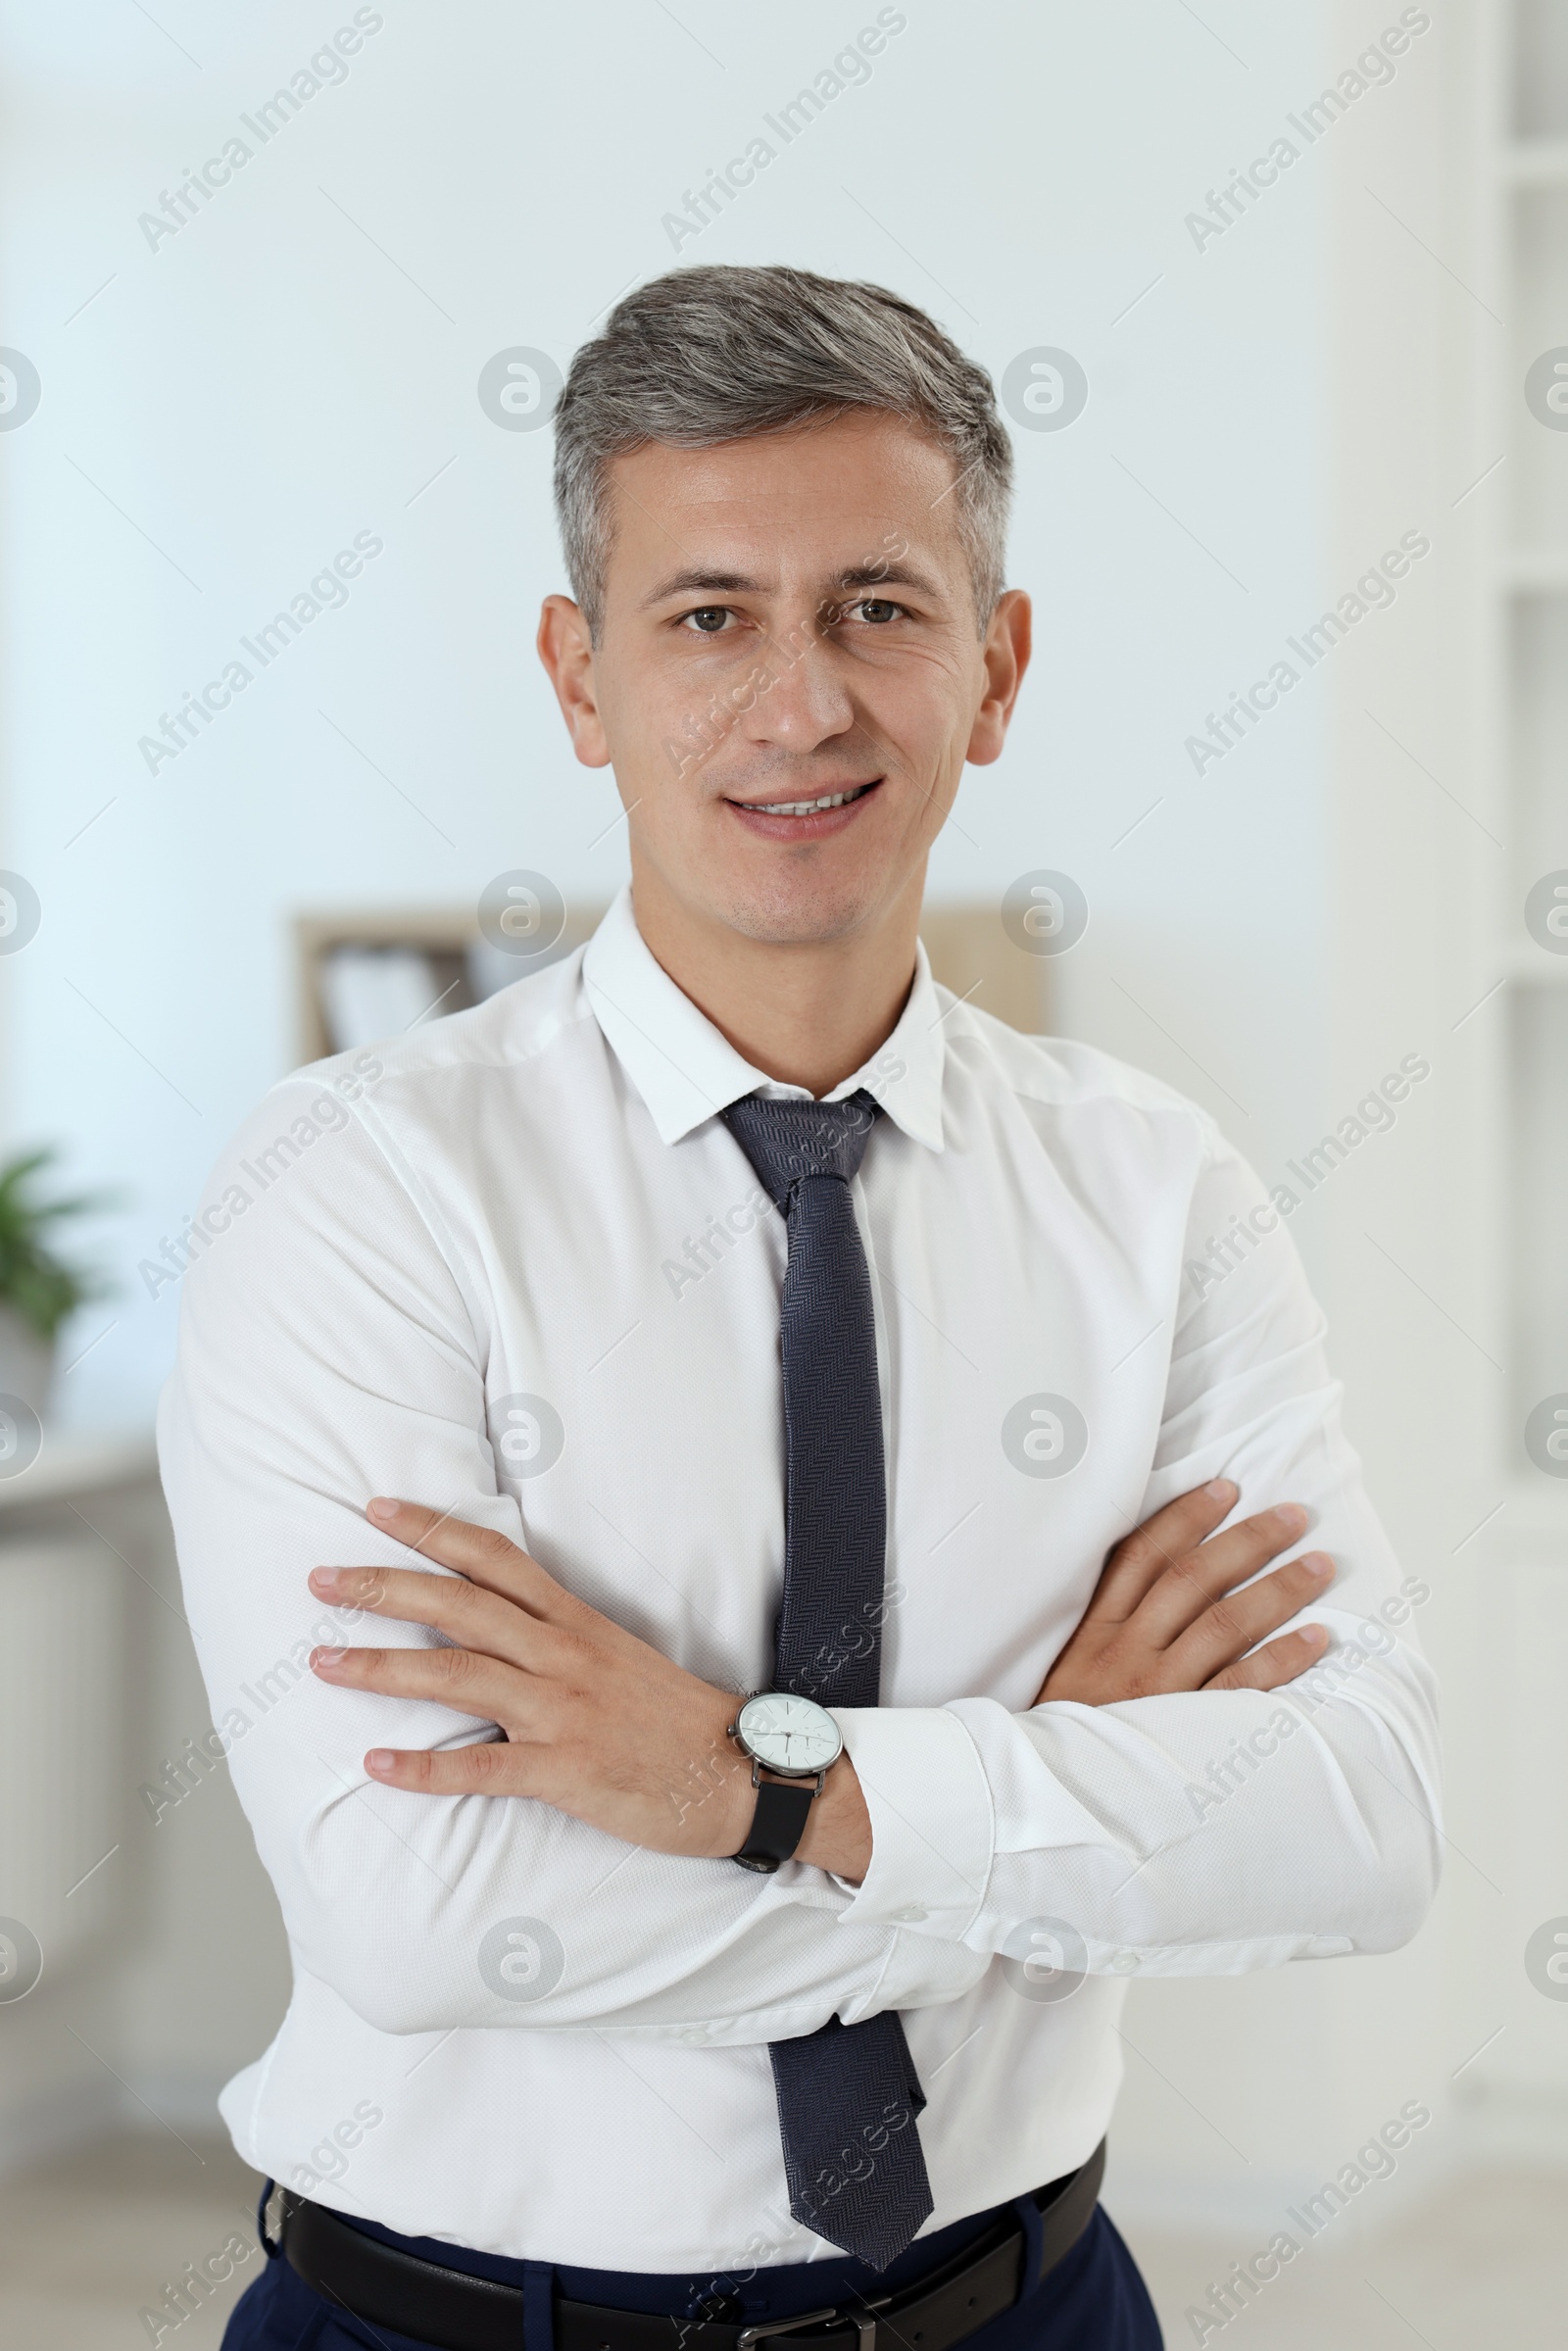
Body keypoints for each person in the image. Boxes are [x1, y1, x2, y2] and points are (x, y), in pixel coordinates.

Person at [160, 264, 1441, 2351]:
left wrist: (757, 1792)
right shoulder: (363, 1188)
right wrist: (1038, 1790)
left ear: (994, 667)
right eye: (706, 616)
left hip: (1025, 2307)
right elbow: (429, 1919)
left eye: (875, 606)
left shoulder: (1153, 1191)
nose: (799, 704)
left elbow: (1355, 1822)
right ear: (579, 680)